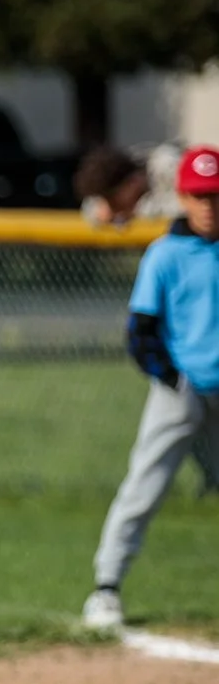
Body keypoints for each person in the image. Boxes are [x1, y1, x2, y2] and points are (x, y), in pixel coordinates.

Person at [83, 145, 219, 629]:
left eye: (215, 195)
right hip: (180, 394)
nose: (208, 206)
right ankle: (106, 587)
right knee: (144, 487)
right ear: (183, 197)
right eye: (200, 196)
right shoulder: (165, 254)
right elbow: (140, 333)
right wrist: (173, 378)